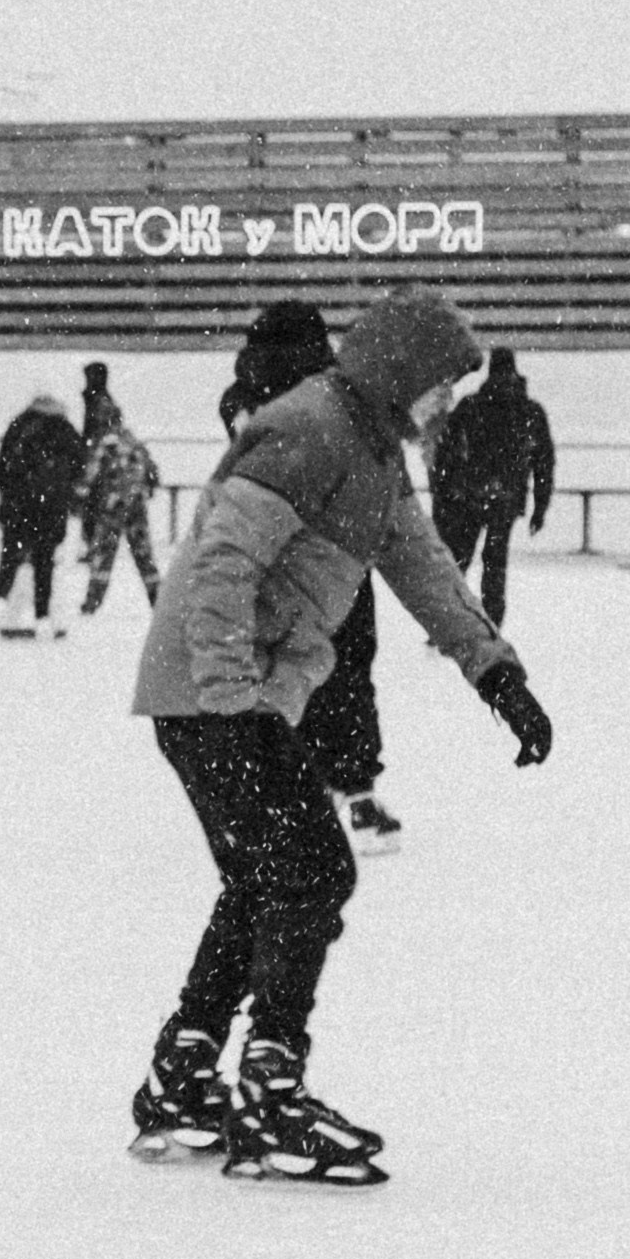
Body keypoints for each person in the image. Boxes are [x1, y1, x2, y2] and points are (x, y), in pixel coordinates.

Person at [127, 291, 552, 1180]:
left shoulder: (370, 450)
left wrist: (496, 674)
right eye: (441, 386)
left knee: (265, 875)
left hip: (226, 692)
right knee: (314, 868)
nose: (445, 404)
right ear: (403, 373)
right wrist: (231, 694)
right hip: (213, 692)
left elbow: (421, 563)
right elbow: (224, 561)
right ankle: (271, 1093)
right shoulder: (311, 431)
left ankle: (186, 1071)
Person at [221, 301, 398, 849]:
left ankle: (270, 790)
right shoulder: (342, 398)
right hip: (339, 553)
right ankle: (354, 787)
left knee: (276, 666)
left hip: (269, 552)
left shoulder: (243, 400)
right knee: (346, 666)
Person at [425, 346, 555, 622]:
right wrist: (540, 507)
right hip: (506, 499)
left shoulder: (471, 406)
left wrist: (443, 494)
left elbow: (445, 453)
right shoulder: (530, 411)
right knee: (495, 564)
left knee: (459, 559)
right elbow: (543, 462)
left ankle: (448, 618)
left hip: (468, 496)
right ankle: (492, 621)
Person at [0, 389, 84, 635]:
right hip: (51, 508)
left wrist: (10, 498)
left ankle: (2, 613)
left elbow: (3, 469)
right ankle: (44, 618)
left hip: (19, 506)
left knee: (11, 558)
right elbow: (80, 465)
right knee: (45, 561)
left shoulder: (20, 425)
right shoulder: (64, 428)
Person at [75, 364, 161, 616]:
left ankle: (93, 601)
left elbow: (89, 475)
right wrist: (145, 488)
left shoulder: (105, 444)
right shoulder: (133, 441)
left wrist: (79, 496)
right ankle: (157, 596)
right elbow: (152, 470)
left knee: (103, 556)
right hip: (136, 504)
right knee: (144, 555)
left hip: (112, 506)